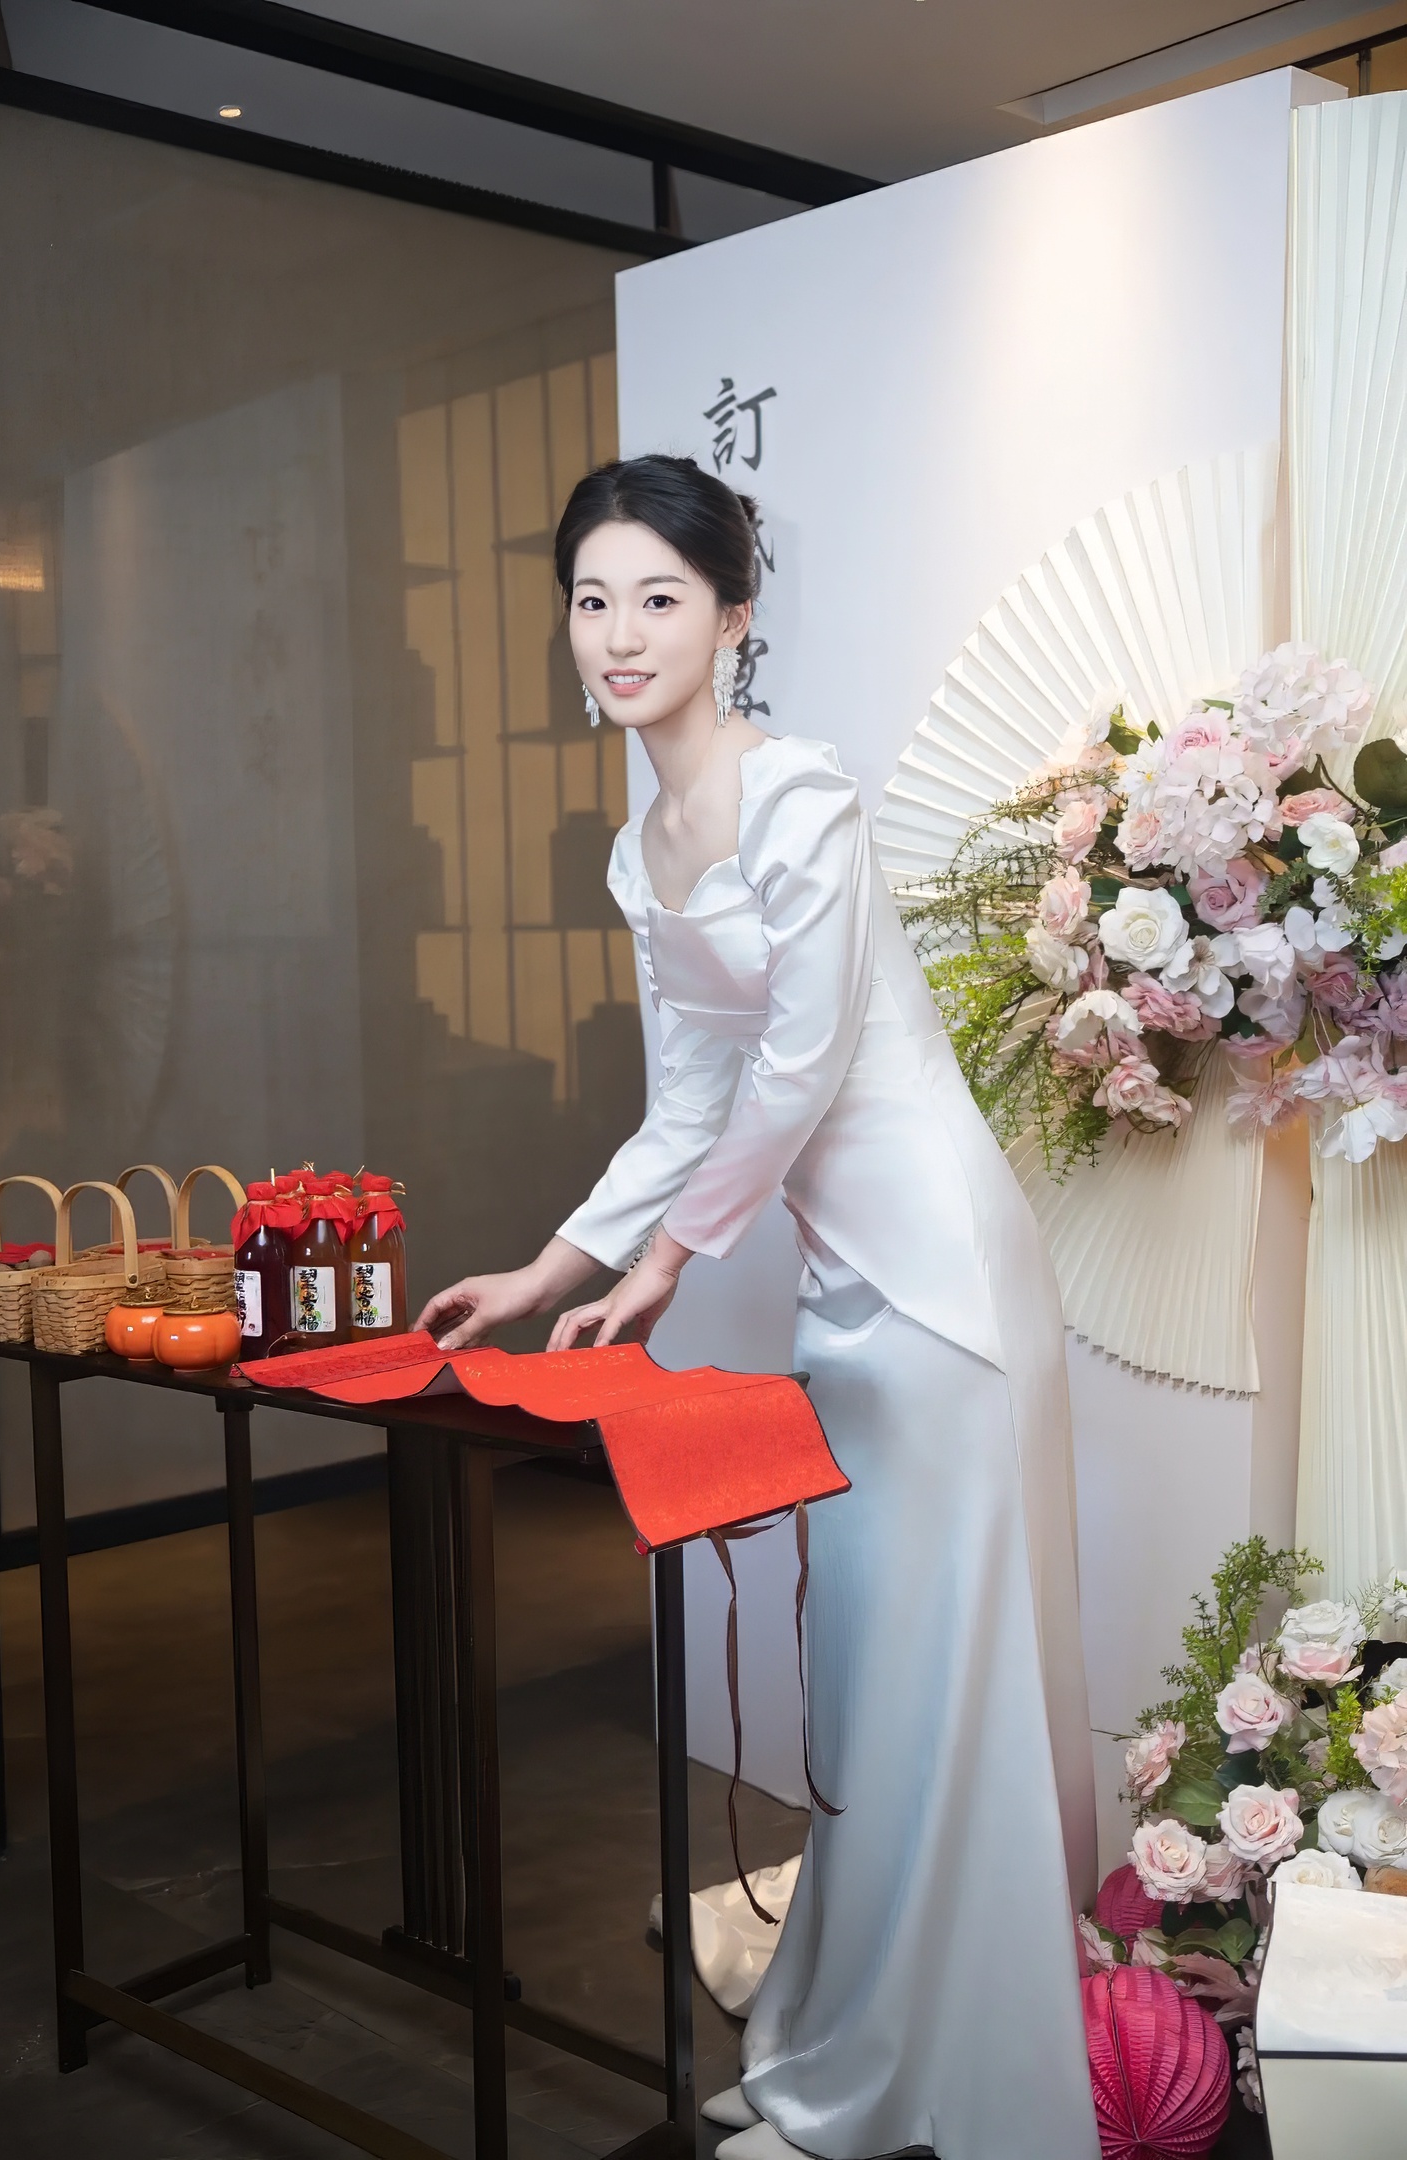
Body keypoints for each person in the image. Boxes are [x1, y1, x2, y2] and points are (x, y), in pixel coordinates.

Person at [418, 454, 1099, 2160]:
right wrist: (555, 1266)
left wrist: (665, 1267)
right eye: (592, 599)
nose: (620, 633)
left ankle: (930, 2074)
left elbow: (800, 1065)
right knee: (865, 1684)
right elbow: (688, 1103)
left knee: (937, 1676)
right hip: (837, 1287)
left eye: (659, 598)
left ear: (732, 617)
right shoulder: (641, 848)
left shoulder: (801, 795)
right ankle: (859, 2042)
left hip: (937, 1283)